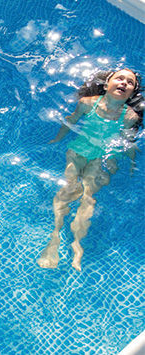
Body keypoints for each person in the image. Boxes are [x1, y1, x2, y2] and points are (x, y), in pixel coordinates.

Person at [37, 68, 143, 272]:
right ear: (106, 85)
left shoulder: (129, 117)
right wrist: (57, 139)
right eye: (119, 78)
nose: (124, 83)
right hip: (77, 151)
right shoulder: (88, 103)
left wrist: (130, 164)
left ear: (131, 94)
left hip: (100, 156)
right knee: (69, 188)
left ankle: (77, 243)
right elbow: (71, 121)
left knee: (88, 196)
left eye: (129, 83)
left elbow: (128, 143)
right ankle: (55, 238)